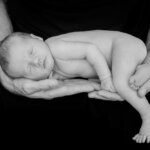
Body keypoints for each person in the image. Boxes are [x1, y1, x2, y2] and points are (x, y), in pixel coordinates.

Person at [0, 0, 150, 144]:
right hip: (121, 58)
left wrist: (105, 78)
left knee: (121, 84)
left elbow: (90, 50)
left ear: (37, 38)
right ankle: (140, 72)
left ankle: (147, 115)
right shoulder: (52, 69)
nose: (35, 61)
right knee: (127, 84)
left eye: (32, 52)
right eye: (28, 69)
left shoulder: (55, 46)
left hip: (122, 46)